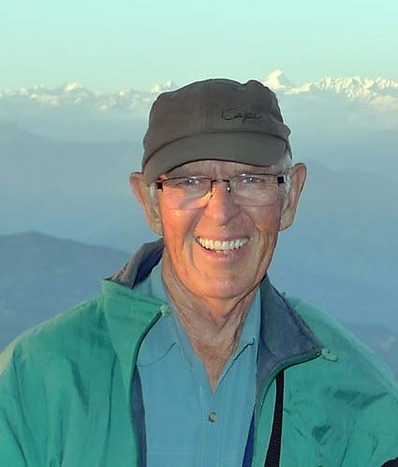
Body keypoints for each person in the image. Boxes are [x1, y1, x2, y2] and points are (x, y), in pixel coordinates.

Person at [0, 79, 397, 467]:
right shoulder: (38, 379)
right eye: (189, 182)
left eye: (251, 179)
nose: (222, 212)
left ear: (289, 196)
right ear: (150, 203)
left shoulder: (355, 392)